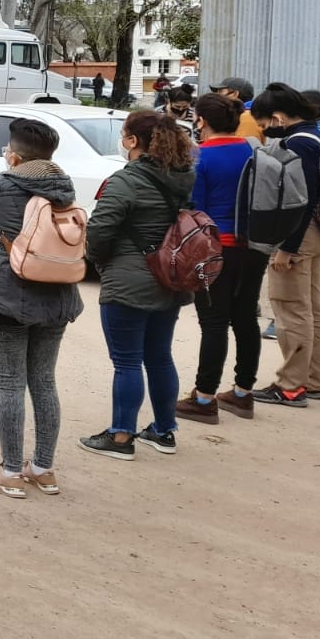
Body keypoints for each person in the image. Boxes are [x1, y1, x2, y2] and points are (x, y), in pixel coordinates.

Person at [0, 118, 84, 498]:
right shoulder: (64, 187)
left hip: (8, 296)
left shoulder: (2, 185)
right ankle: (43, 469)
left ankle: (11, 470)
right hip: (58, 294)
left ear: (13, 156)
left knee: (10, 383)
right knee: (44, 380)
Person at [78, 110, 196, 461]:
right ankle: (164, 430)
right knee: (159, 356)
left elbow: (100, 230)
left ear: (132, 141)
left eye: (124, 135)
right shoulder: (183, 176)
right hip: (170, 277)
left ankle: (121, 437)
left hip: (129, 280)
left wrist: (98, 260)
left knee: (127, 361)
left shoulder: (126, 180)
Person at [174, 94, 264, 423]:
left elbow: (193, 208)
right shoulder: (254, 151)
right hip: (253, 246)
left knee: (214, 323)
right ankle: (243, 393)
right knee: (246, 318)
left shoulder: (200, 157)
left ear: (201, 121)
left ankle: (204, 397)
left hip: (215, 249)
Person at [249, 83, 320, 406]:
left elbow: (300, 201)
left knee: (291, 309)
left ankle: (291, 386)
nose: (266, 130)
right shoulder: (319, 137)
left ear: (279, 117)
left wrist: (287, 248)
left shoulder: (299, 144)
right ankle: (312, 380)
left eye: (266, 123)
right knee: (312, 309)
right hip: (317, 233)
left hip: (298, 236)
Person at [210, 77, 263, 142]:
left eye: (221, 92)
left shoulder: (246, 117)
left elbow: (245, 146)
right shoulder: (237, 115)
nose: (217, 96)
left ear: (235, 94)